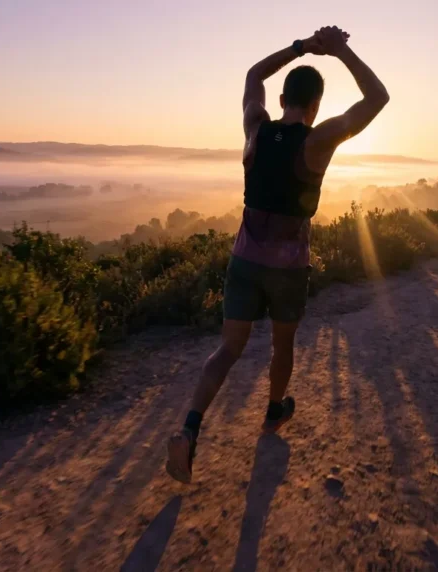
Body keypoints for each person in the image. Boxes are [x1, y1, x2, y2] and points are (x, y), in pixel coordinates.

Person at [166, 26, 389, 483]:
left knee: (228, 349)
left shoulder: (255, 128)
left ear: (282, 97)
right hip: (288, 269)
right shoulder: (318, 140)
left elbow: (253, 75)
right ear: (316, 106)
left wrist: (301, 47)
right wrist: (340, 50)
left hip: (244, 260)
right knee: (281, 345)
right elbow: (377, 97)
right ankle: (273, 411)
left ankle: (189, 429)